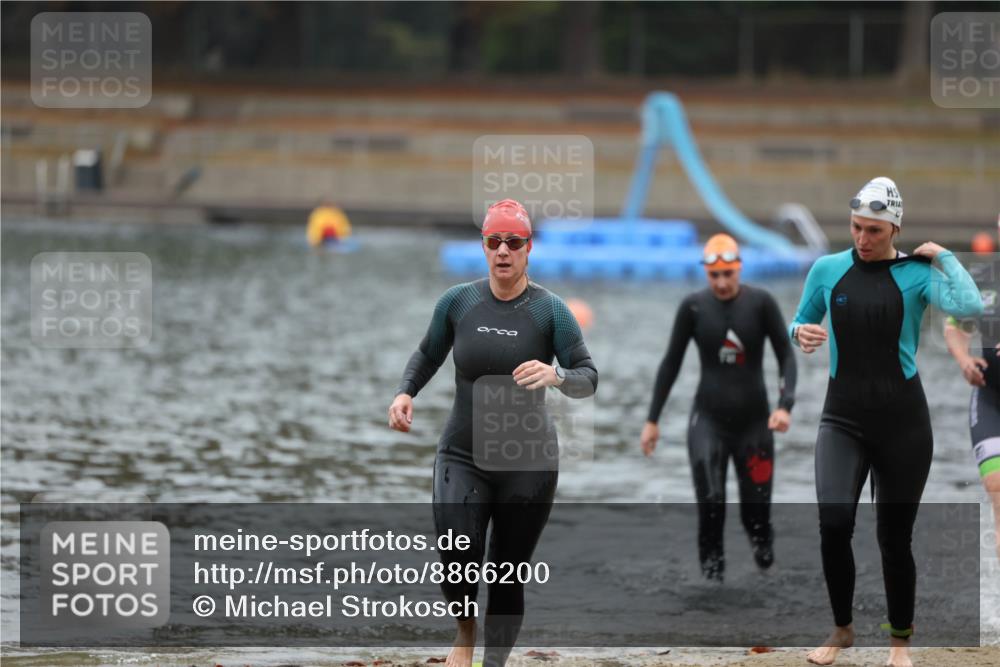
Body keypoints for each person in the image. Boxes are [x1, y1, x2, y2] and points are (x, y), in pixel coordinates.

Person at [388, 199, 598, 667]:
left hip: (529, 462)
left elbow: (589, 377)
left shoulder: (551, 311)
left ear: (528, 248)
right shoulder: (458, 302)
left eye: (513, 242)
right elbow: (428, 354)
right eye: (494, 241)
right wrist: (405, 392)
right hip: (462, 454)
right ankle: (465, 631)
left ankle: (494, 663)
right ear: (484, 246)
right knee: (456, 556)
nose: (503, 250)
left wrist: (557, 375)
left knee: (507, 574)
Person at [788, 177, 982, 667]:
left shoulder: (916, 274)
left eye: (874, 230)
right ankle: (842, 630)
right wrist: (800, 332)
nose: (862, 238)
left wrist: (945, 257)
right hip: (842, 419)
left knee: (894, 539)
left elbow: (971, 306)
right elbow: (800, 318)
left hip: (903, 425)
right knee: (834, 523)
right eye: (856, 227)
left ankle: (899, 646)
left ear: (895, 228)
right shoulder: (828, 270)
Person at [641, 233, 797, 581]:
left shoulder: (762, 304)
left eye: (728, 274)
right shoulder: (693, 307)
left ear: (739, 268)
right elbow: (670, 363)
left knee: (755, 517)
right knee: (711, 504)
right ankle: (712, 589)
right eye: (714, 275)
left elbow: (786, 356)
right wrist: (652, 420)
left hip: (755, 426)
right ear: (706, 273)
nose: (722, 282)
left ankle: (765, 564)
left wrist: (785, 404)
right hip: (708, 423)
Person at [943, 218, 1000, 561]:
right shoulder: (982, 278)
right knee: (997, 486)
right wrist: (964, 358)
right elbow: (955, 326)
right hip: (991, 396)